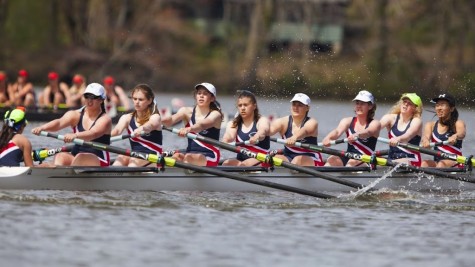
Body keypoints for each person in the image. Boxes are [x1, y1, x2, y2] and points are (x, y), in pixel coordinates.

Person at [31, 83, 112, 166]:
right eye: (87, 96)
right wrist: (42, 128)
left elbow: (93, 133)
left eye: (93, 97)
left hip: (99, 159)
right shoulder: (75, 115)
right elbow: (59, 123)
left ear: (101, 100)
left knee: (81, 157)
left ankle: (64, 174)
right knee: (60, 156)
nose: (89, 100)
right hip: (76, 157)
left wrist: (75, 135)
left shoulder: (105, 119)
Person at [161, 82, 222, 166]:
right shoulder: (185, 111)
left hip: (210, 155)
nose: (201, 96)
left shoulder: (216, 114)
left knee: (188, 157)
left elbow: (202, 125)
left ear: (212, 98)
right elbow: (170, 120)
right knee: (176, 157)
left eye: (205, 94)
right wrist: (156, 120)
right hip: (190, 154)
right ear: (195, 96)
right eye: (199, 93)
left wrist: (189, 129)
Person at [323, 90, 381, 166]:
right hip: (349, 156)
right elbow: (337, 132)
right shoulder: (347, 121)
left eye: (362, 104)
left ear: (370, 106)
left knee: (351, 162)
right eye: (357, 103)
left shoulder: (375, 123)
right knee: (332, 159)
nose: (359, 106)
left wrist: (357, 135)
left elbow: (368, 132)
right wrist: (328, 138)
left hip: (366, 159)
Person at [111, 84, 162, 167]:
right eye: (135, 99)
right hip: (136, 156)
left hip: (153, 158)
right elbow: (116, 131)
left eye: (141, 99)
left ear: (149, 100)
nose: (137, 102)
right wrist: (101, 137)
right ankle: (111, 176)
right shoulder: (126, 117)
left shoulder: (155, 117)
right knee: (121, 157)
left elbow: (150, 125)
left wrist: (141, 128)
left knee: (133, 161)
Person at [269, 93, 324, 166]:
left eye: (300, 105)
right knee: (271, 159)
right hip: (288, 156)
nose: (296, 107)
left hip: (311, 158)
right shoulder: (283, 121)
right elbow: (269, 131)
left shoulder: (312, 122)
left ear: (307, 108)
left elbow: (305, 130)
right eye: (294, 104)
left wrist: (294, 137)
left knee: (297, 160)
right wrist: (259, 134)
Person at [221, 90, 270, 166]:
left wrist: (256, 136)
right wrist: (225, 141)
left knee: (244, 164)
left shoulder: (262, 120)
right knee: (226, 163)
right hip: (241, 160)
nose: (242, 108)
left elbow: (263, 131)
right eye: (240, 105)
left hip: (261, 159)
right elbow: (229, 136)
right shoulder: (233, 124)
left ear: (254, 106)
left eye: (245, 105)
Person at [421, 93, 466, 168]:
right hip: (438, 162)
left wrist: (455, 136)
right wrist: (425, 141)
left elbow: (462, 133)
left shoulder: (458, 123)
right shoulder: (430, 125)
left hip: (456, 162)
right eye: (437, 105)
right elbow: (425, 136)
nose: (439, 108)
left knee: (441, 164)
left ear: (451, 108)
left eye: (442, 105)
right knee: (424, 163)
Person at [380, 93, 423, 166]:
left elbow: (408, 135)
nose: (405, 104)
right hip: (392, 159)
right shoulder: (390, 118)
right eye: (404, 102)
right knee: (371, 161)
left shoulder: (416, 121)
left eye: (409, 103)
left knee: (394, 163)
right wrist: (359, 134)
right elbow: (375, 128)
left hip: (411, 160)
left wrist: (398, 139)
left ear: (415, 108)